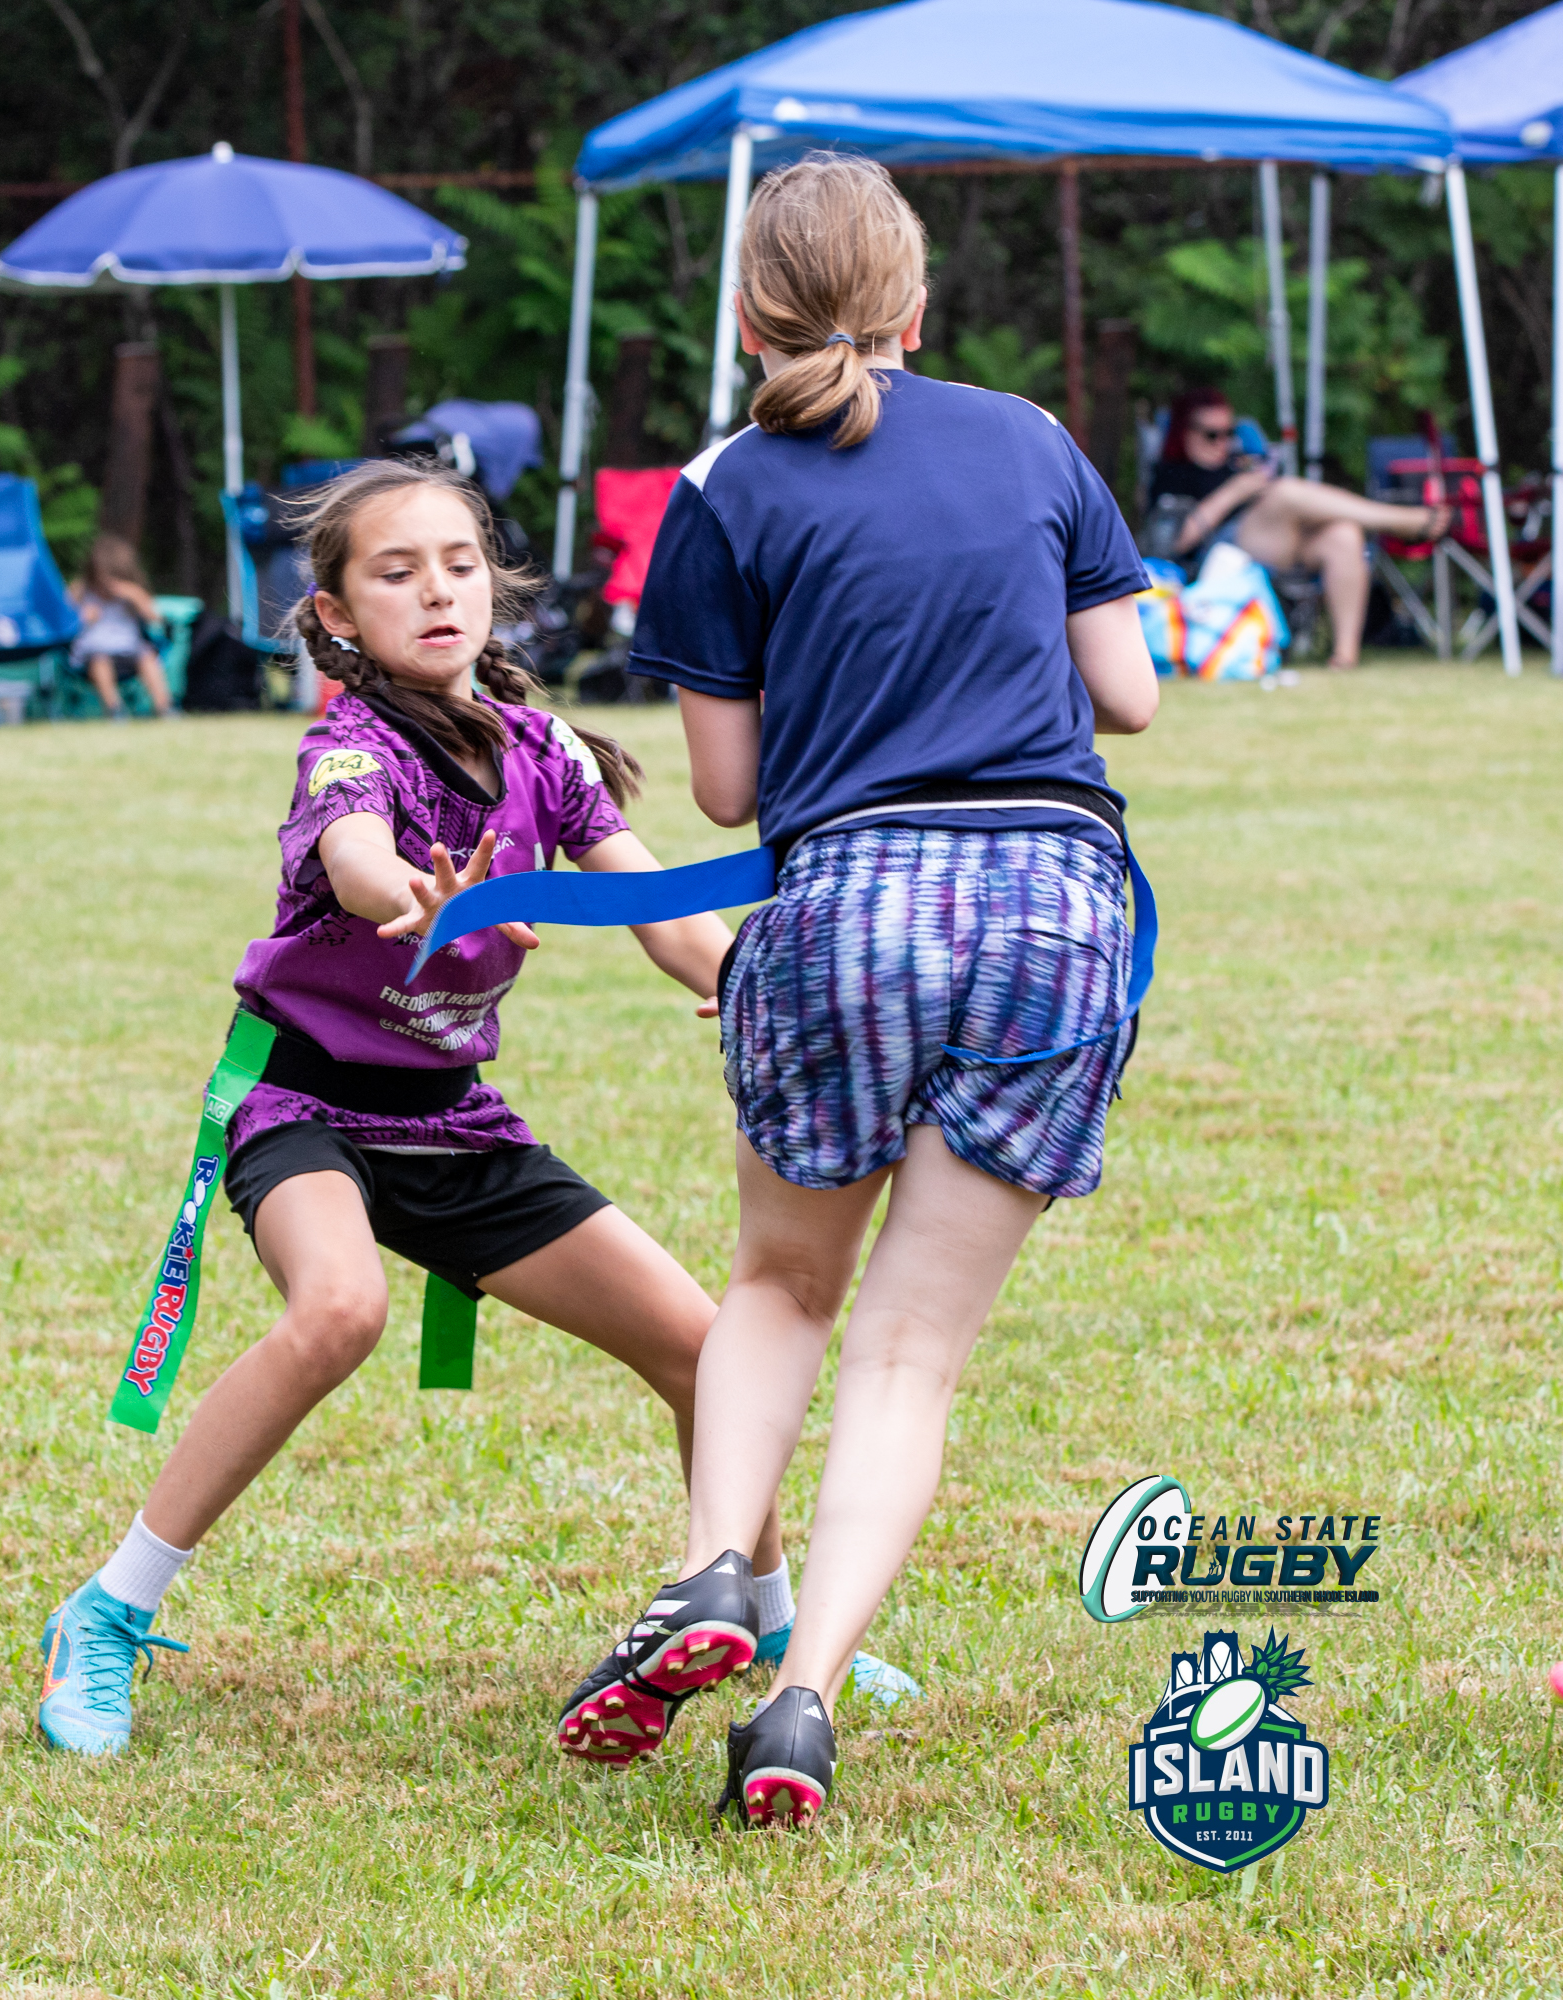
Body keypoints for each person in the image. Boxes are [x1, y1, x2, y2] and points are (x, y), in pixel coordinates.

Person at [556, 153, 1161, 1830]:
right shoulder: (1033, 439)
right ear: (917, 308)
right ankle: (804, 1694)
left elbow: (728, 791)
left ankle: (710, 1569)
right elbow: (1129, 696)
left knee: (779, 1287)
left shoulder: (722, 489)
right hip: (1050, 906)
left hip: (843, 907)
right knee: (908, 1355)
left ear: (749, 318)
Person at [35, 460, 792, 1757]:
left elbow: (659, 910)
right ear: (336, 614)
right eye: (397, 572)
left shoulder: (544, 751)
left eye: (457, 564)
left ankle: (775, 1633)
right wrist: (420, 896)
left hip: (453, 1122)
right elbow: (355, 858)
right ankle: (107, 1611)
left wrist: (762, 991)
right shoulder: (347, 746)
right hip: (305, 1105)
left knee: (708, 1351)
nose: (437, 591)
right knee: (341, 1309)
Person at [1147, 386, 1450, 671]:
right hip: (1217, 560)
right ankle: (1397, 520)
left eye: (1229, 434)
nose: (1222, 443)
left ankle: (1344, 658)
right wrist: (1234, 492)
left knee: (1343, 535)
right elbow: (1175, 544)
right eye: (1211, 435)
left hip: (1274, 549)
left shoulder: (1236, 464)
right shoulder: (1171, 474)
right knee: (1285, 492)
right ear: (1185, 433)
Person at [69, 534, 176, 719]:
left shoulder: (133, 593)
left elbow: (156, 618)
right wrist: (82, 617)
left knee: (148, 657)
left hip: (129, 650)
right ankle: (114, 709)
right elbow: (64, 623)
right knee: (100, 662)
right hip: (93, 652)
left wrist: (136, 596)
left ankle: (164, 707)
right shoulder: (80, 590)